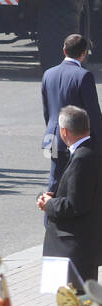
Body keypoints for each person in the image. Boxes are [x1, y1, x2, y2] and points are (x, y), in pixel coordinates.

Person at [38, 106, 102, 285]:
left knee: (73, 305)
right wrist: (55, 197)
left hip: (73, 250)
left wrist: (49, 204)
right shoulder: (89, 152)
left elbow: (75, 205)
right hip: (79, 248)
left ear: (64, 131)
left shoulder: (82, 158)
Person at [41, 34, 102, 195]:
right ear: (83, 53)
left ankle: (50, 215)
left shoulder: (48, 74)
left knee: (54, 180)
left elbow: (47, 111)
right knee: (75, 183)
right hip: (75, 139)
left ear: (64, 50)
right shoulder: (84, 76)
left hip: (53, 136)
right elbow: (93, 113)